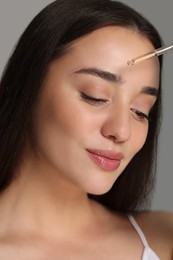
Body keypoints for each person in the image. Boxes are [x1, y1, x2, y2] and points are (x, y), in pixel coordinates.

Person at [0, 0, 172, 259]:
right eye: (95, 96)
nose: (121, 131)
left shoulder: (163, 236)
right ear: (30, 85)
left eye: (140, 111)